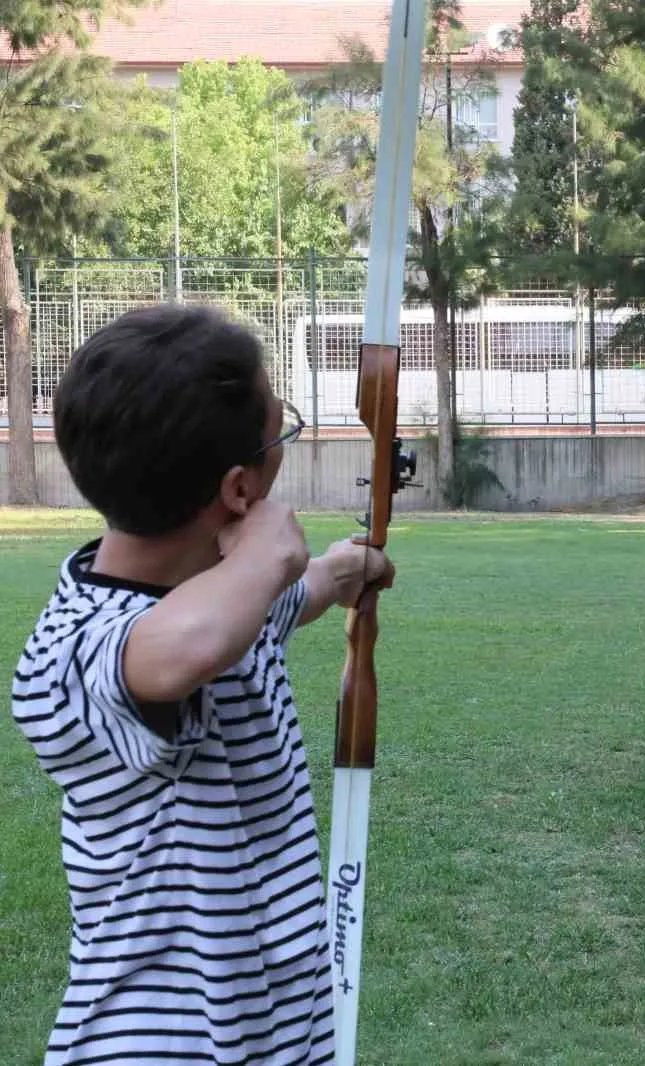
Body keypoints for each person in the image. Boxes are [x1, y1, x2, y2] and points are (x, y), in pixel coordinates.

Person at [10, 304, 395, 1065]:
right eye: (280, 438)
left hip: (277, 1032)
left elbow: (285, 603)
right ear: (238, 490)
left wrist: (348, 570)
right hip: (155, 1044)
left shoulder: (229, 601)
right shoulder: (75, 650)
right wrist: (269, 553)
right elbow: (173, 656)